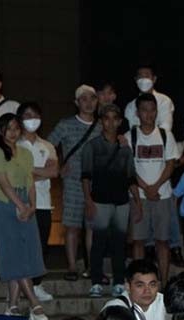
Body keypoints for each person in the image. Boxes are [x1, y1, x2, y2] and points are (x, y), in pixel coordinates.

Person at [0, 113, 48, 320]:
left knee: (25, 253)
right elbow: (3, 183)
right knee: (13, 253)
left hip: (24, 203)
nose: (13, 132)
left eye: (15, 128)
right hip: (4, 203)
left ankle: (12, 305)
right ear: (1, 130)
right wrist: (20, 205)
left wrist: (31, 206)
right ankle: (34, 304)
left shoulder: (25, 153)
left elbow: (30, 181)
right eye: (8, 128)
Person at [82, 103, 140, 298]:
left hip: (122, 201)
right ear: (101, 121)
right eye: (106, 118)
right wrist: (88, 201)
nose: (110, 122)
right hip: (99, 200)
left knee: (119, 243)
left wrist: (138, 202)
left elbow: (131, 177)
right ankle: (96, 281)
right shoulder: (92, 146)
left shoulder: (125, 148)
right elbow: (86, 176)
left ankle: (118, 281)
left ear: (120, 121)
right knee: (98, 242)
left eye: (114, 118)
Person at [48, 84, 101, 281]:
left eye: (92, 99)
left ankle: (91, 266)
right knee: (72, 226)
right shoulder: (65, 124)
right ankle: (71, 266)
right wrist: (58, 166)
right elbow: (48, 144)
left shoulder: (102, 125)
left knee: (93, 227)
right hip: (72, 181)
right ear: (76, 102)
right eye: (84, 99)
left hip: (97, 183)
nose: (89, 103)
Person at [125, 93, 178, 283]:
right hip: (139, 196)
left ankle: (162, 282)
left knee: (162, 241)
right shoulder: (129, 136)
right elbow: (128, 167)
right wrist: (146, 188)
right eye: (144, 110)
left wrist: (155, 187)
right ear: (138, 113)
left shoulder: (165, 134)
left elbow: (171, 164)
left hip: (162, 195)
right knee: (138, 241)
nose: (149, 114)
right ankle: (139, 281)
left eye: (152, 110)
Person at [17, 102, 58, 303]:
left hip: (43, 202)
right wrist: (37, 172)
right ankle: (18, 287)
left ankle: (37, 284)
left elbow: (54, 171)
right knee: (22, 247)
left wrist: (30, 172)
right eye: (26, 115)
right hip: (21, 203)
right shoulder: (14, 145)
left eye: (35, 114)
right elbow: (16, 173)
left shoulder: (47, 146)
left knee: (41, 246)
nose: (31, 118)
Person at [103, 259, 169, 320]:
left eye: (152, 285)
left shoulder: (167, 304)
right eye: (140, 285)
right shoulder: (114, 309)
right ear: (128, 286)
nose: (147, 291)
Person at [124, 65, 174, 131]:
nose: (143, 80)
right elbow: (131, 130)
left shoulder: (164, 101)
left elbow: (166, 127)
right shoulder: (130, 106)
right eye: (140, 76)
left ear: (154, 79)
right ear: (135, 80)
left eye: (147, 76)